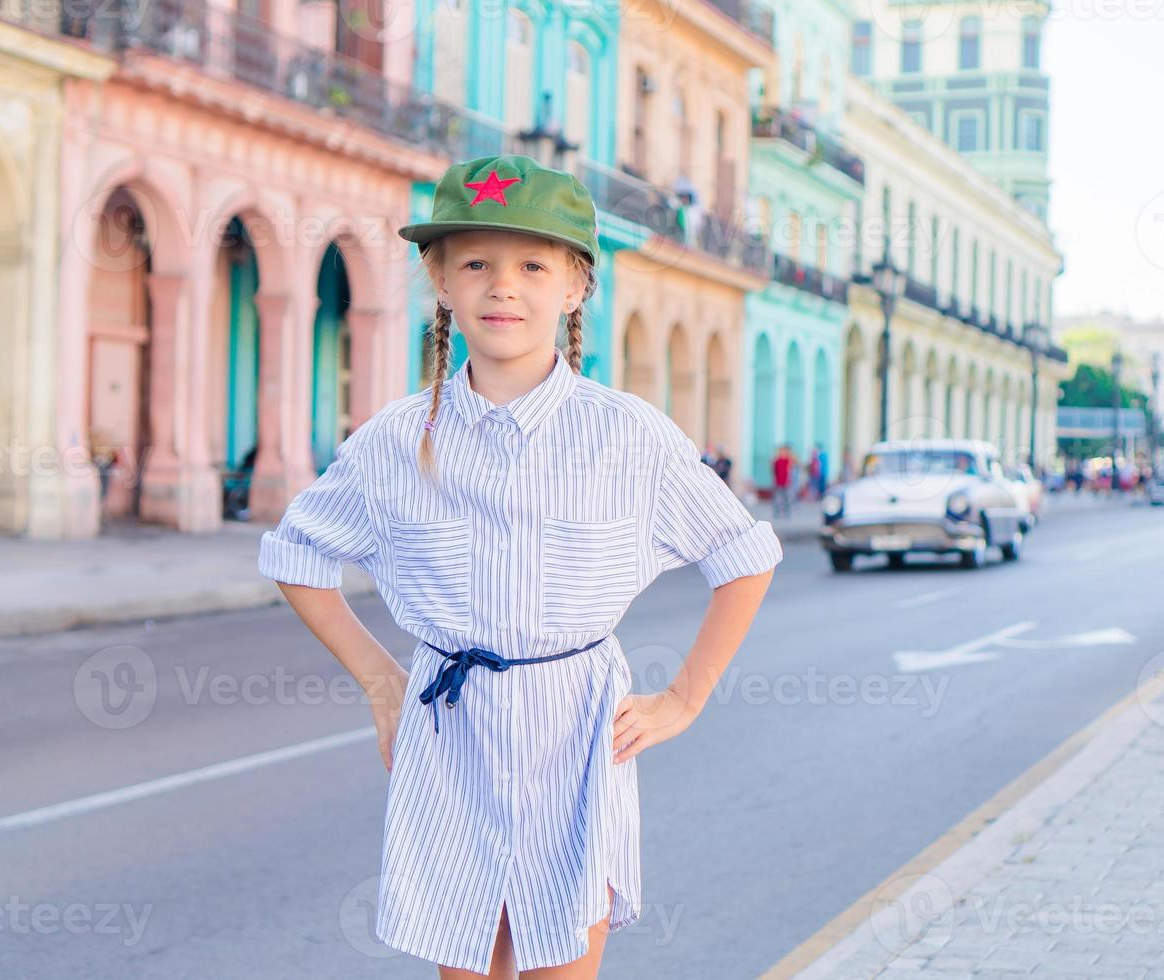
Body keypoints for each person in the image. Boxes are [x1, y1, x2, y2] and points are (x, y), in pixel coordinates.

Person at [258, 155, 783, 980]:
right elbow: (296, 552)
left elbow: (743, 555)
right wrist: (381, 682)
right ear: (440, 280)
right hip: (449, 731)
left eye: (533, 265)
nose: (503, 287)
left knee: (562, 961)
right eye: (476, 264)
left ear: (576, 285)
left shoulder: (626, 436)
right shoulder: (396, 440)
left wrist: (684, 697)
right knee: (465, 966)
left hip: (576, 733)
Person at [771, 443, 794, 517]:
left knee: (787, 498)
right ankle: (777, 512)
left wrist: (789, 480)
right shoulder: (776, 461)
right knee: (777, 499)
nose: (782, 453)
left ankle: (787, 512)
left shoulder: (788, 460)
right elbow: (774, 471)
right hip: (778, 482)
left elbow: (790, 471)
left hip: (786, 482)